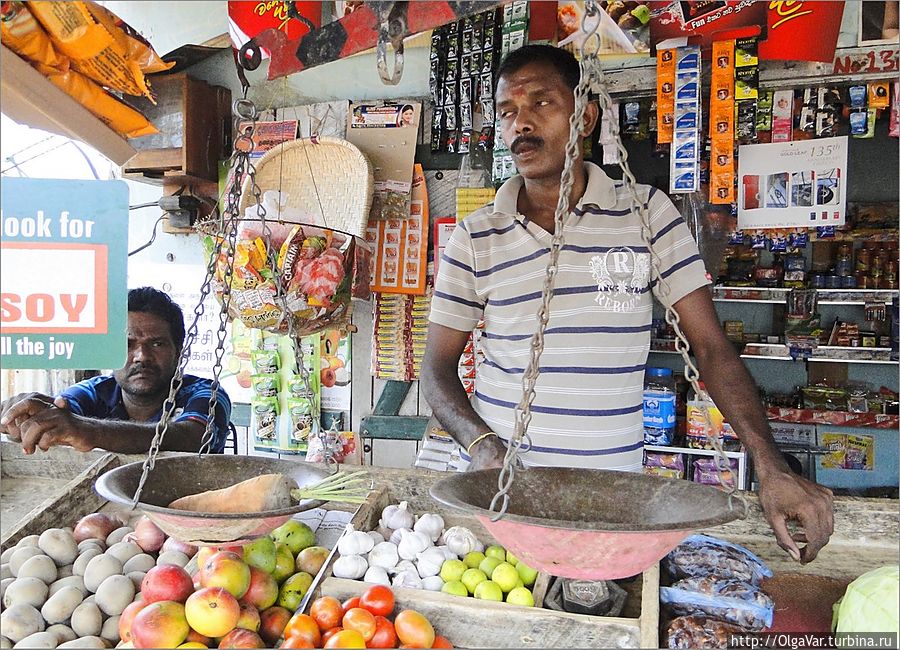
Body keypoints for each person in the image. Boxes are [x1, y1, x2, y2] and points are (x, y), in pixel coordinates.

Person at [421, 45, 834, 564]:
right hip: (504, 496)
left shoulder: (647, 213)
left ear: (585, 117)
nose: (520, 124)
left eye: (542, 103)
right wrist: (482, 446)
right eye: (507, 113)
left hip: (613, 494)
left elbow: (708, 347)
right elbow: (435, 370)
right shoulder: (475, 236)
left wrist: (771, 466)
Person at [0, 287, 232, 454]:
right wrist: (30, 417)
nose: (142, 356)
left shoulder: (206, 393)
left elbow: (192, 437)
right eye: (126, 345)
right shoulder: (93, 391)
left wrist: (89, 431)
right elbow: (62, 414)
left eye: (157, 344)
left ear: (179, 350)